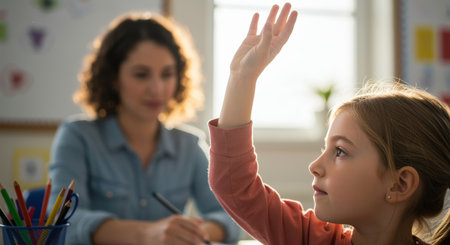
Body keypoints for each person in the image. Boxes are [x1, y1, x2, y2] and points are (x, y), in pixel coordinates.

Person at [208, 2, 450, 245]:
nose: (314, 166)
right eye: (326, 149)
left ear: (400, 184)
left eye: (340, 151)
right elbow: (234, 184)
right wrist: (242, 77)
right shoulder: (310, 239)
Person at [48, 12, 241, 245]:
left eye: (167, 74)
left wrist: (187, 233)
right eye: (141, 75)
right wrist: (147, 234)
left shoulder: (189, 145)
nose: (157, 89)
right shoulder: (77, 137)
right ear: (113, 78)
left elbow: (232, 217)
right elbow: (62, 222)